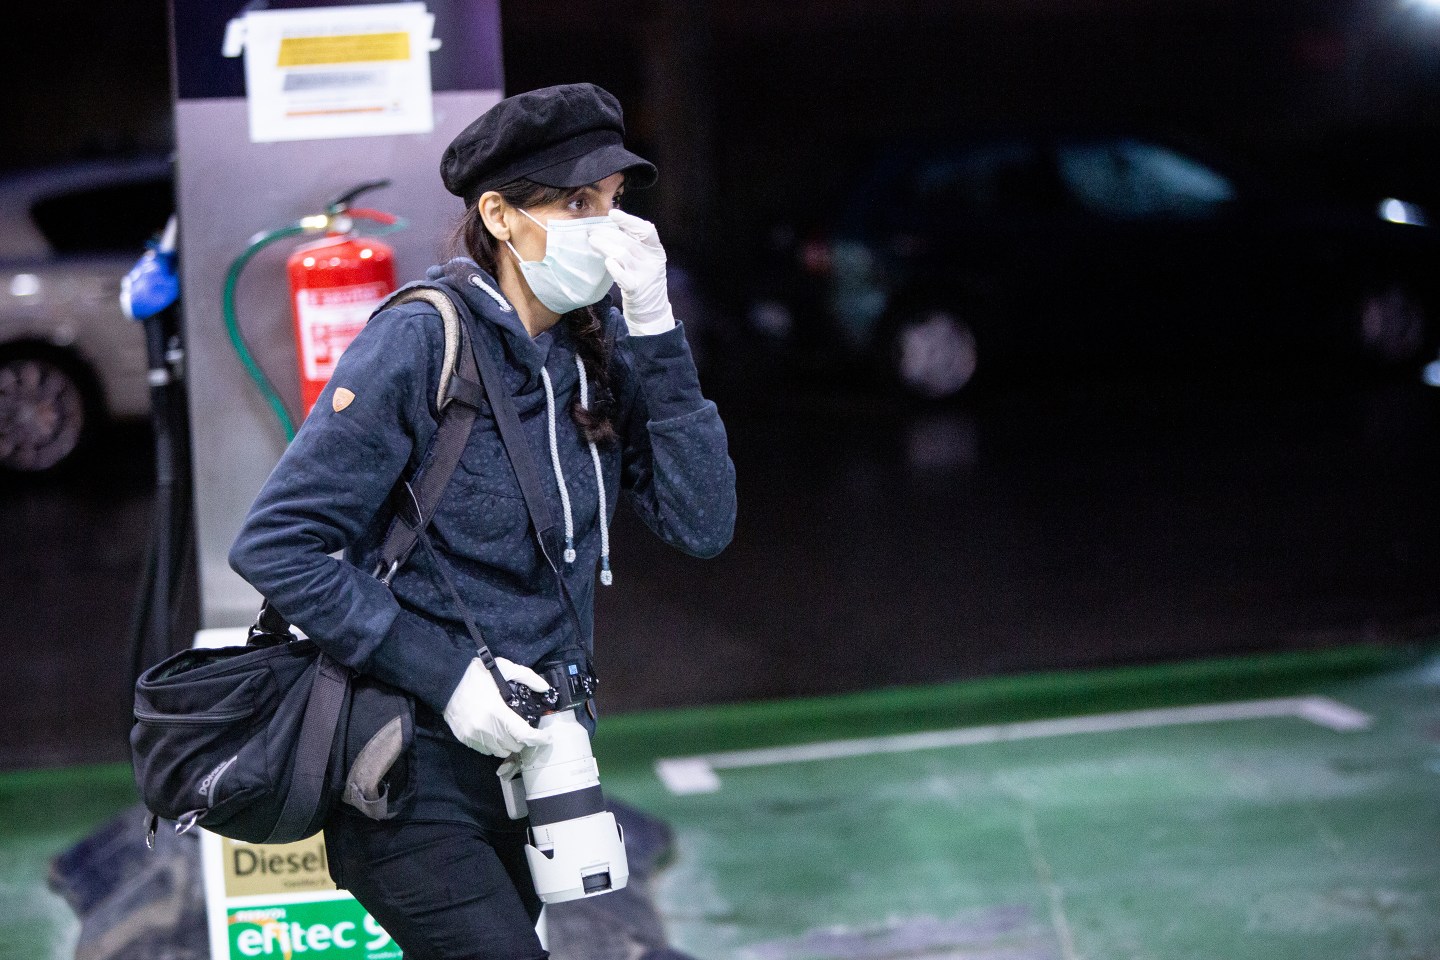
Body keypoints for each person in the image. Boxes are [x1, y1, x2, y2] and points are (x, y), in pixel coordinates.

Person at [228, 82, 737, 960]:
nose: (606, 228)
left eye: (614, 201)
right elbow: (276, 545)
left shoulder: (597, 348)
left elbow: (704, 521)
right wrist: (451, 678)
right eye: (577, 204)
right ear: (500, 216)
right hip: (406, 766)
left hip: (540, 764)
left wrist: (657, 330)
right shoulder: (422, 341)